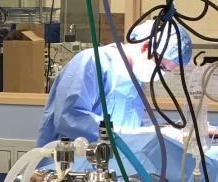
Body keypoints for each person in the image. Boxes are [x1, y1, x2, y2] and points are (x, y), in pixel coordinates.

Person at [38, 21, 193, 144]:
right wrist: (136, 134)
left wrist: (165, 130)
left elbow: (130, 125)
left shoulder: (135, 78)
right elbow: (69, 119)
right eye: (161, 67)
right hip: (67, 168)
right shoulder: (93, 62)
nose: (161, 73)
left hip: (105, 170)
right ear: (146, 46)